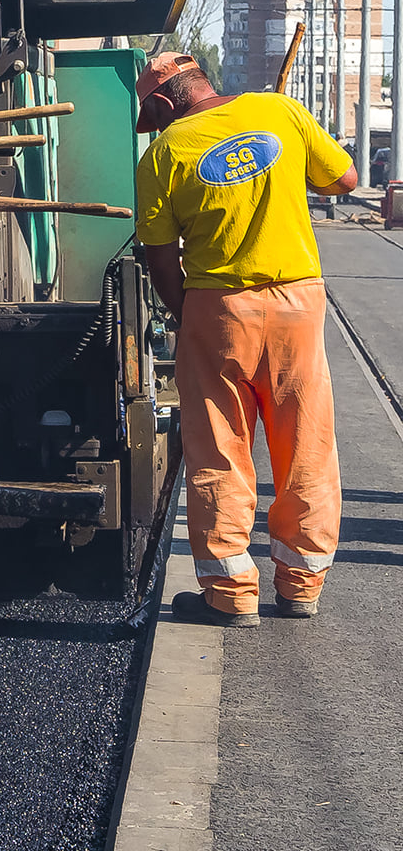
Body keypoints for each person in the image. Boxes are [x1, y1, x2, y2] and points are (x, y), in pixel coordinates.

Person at [133, 52, 357, 627]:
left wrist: (188, 315)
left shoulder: (163, 153)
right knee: (305, 442)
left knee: (219, 448)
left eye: (151, 116)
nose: (154, 127)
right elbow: (345, 179)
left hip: (217, 306)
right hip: (297, 303)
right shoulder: (281, 111)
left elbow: (158, 254)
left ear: (161, 105)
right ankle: (301, 582)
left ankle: (231, 595)